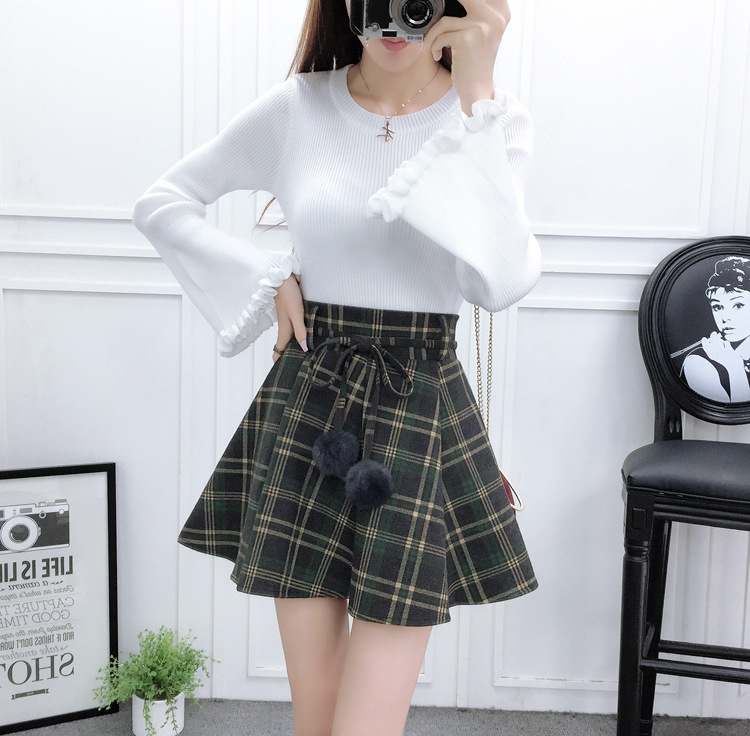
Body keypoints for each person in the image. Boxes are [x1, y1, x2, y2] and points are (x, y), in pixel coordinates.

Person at [133, 1, 540, 734]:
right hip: (310, 405)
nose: (391, 23)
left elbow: (500, 283)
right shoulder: (300, 107)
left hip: (418, 409)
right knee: (316, 718)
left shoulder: (489, 120)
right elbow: (163, 202)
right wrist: (270, 279)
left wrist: (477, 90)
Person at [681, 256, 750, 403]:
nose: (725, 317)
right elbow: (734, 414)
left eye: (738, 305)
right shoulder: (698, 362)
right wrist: (734, 367)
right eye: (718, 307)